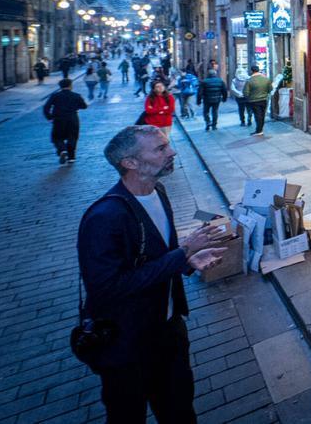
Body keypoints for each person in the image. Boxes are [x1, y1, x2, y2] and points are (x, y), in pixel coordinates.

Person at [78, 126, 226, 422]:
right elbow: (107, 288)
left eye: (167, 145)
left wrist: (189, 262)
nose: (172, 152)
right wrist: (183, 253)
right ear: (130, 163)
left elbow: (160, 257)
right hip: (126, 342)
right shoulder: (104, 218)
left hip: (169, 331)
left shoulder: (158, 191)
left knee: (180, 410)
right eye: (160, 149)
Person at [44, 78, 87, 163]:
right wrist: (76, 106)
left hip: (59, 119)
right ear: (70, 85)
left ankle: (62, 150)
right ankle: (71, 157)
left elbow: (46, 108)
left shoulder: (55, 96)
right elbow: (84, 106)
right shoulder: (76, 95)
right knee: (73, 137)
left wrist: (49, 117)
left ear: (60, 86)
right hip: (72, 118)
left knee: (57, 137)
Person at [243, 65, 272, 135]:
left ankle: (259, 130)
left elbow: (245, 92)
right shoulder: (266, 79)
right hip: (264, 99)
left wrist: (248, 98)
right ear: (258, 70)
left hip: (254, 101)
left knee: (257, 115)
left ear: (251, 71)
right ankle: (260, 129)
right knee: (262, 115)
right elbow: (270, 89)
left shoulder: (249, 81)